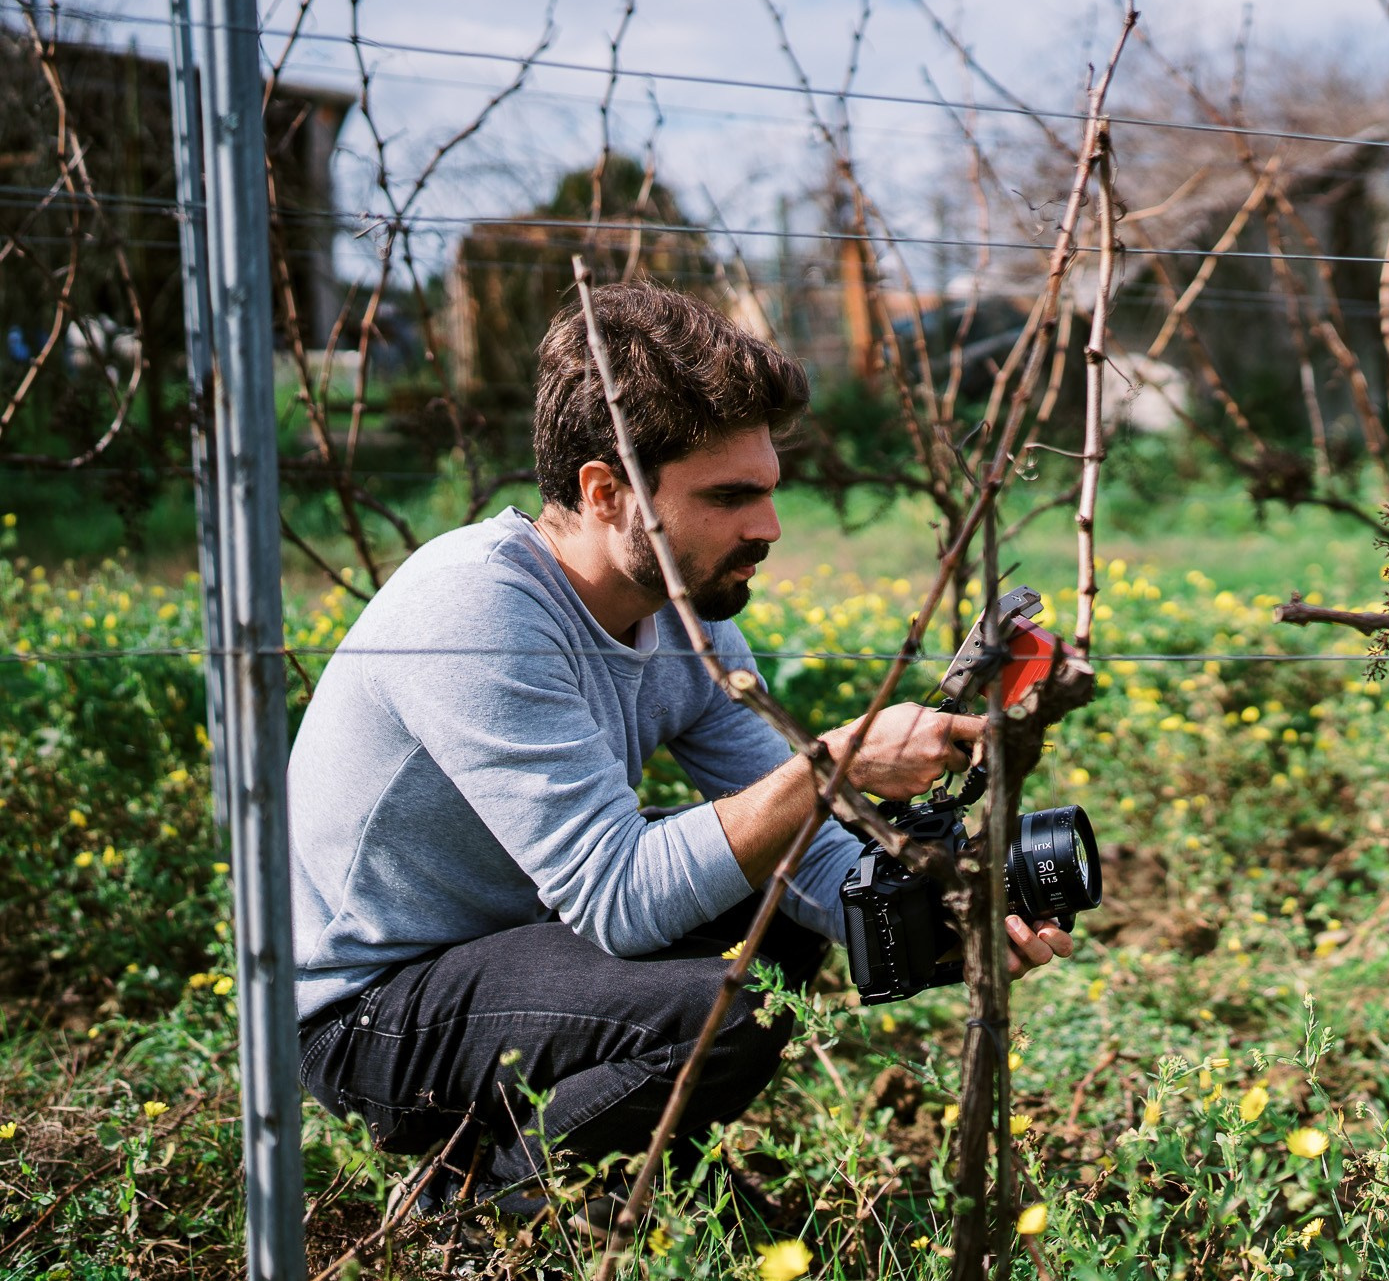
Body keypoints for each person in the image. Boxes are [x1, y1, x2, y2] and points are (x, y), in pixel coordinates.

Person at [290, 279, 1073, 1216]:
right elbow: (616, 898)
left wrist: (950, 914)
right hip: (372, 1011)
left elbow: (808, 846)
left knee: (772, 891)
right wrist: (830, 766)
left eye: (770, 490)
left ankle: (621, 1174)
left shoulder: (684, 621)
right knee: (727, 1005)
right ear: (606, 490)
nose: (769, 528)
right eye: (730, 496)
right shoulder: (476, 606)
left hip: (511, 950)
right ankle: (471, 1208)